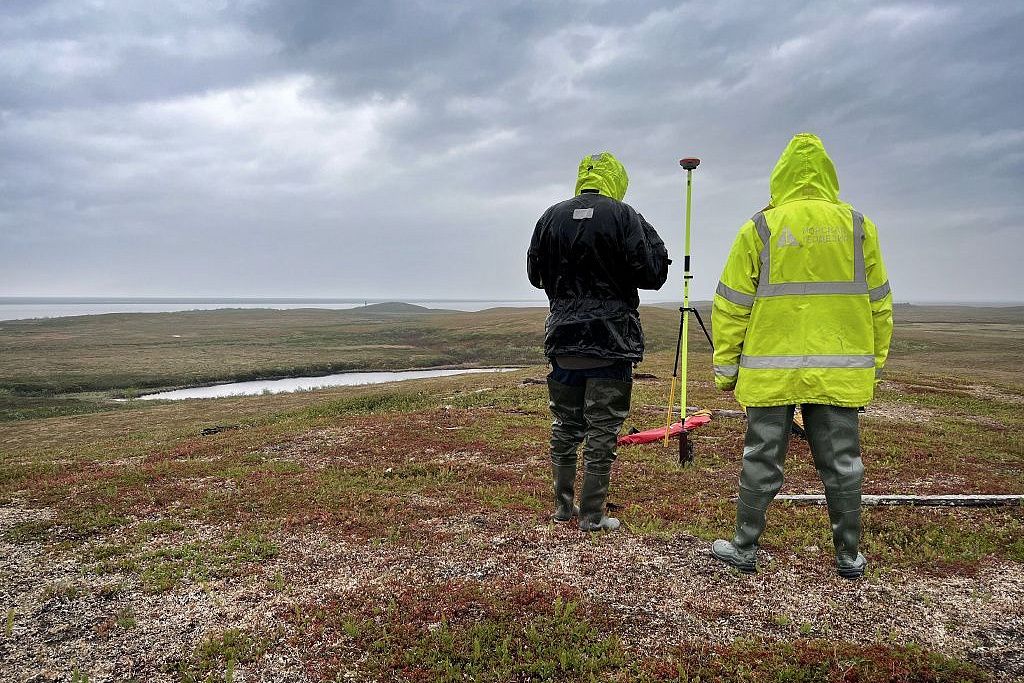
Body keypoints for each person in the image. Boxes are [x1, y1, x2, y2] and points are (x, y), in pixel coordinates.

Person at [710, 133, 893, 578]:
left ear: (781, 174)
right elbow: (879, 303)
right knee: (843, 464)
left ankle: (744, 547)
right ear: (829, 173)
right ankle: (848, 556)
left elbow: (732, 304)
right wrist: (875, 361)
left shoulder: (760, 227)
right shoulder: (858, 226)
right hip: (839, 372)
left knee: (760, 458)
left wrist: (726, 369)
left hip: (770, 371)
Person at [528, 152, 670, 532]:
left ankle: (563, 508)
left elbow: (534, 274)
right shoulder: (625, 216)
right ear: (617, 180)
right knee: (602, 428)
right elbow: (654, 273)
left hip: (563, 337)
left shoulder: (550, 216)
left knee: (565, 424)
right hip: (611, 339)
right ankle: (591, 516)